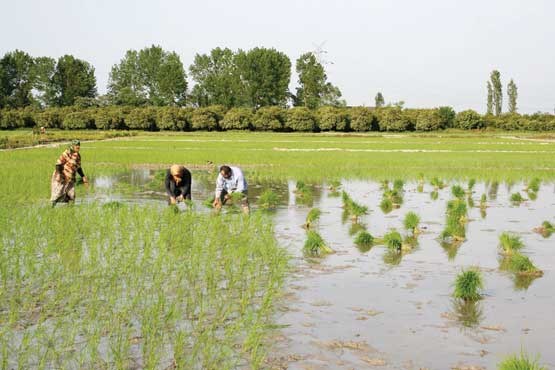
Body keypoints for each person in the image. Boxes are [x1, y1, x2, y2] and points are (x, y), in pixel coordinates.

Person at [50, 140, 88, 206]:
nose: (78, 147)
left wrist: (83, 176)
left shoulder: (78, 156)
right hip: (61, 178)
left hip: (70, 179)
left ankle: (71, 211)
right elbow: (58, 164)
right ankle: (51, 209)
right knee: (57, 195)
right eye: (76, 146)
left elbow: (78, 167)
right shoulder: (66, 153)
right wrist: (60, 175)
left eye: (79, 146)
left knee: (71, 196)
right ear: (72, 146)